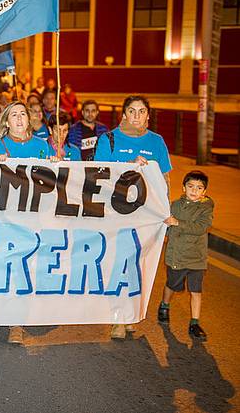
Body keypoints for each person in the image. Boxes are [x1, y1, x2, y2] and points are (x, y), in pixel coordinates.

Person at [94, 95, 172, 340]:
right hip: (116, 214)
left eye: (141, 111)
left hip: (146, 216)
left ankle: (130, 314)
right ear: (124, 115)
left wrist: (166, 211)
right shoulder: (109, 139)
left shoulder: (157, 142)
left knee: (139, 265)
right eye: (132, 111)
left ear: (148, 116)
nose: (137, 116)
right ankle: (117, 318)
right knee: (118, 264)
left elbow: (165, 180)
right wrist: (129, 165)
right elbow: (99, 174)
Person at [0, 101, 55, 344]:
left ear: (29, 119)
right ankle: (11, 319)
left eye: (22, 114)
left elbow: (52, 182)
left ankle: (19, 318)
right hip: (4, 219)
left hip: (34, 218)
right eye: (13, 115)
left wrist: (56, 165)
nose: (18, 118)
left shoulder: (42, 146)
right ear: (6, 121)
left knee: (28, 269)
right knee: (10, 269)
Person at [158, 170, 214, 341]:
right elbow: (164, 224)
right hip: (177, 256)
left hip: (197, 257)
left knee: (196, 291)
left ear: (204, 191)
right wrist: (166, 224)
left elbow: (201, 228)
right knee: (172, 285)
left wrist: (177, 223)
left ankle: (194, 323)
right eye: (190, 186)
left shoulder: (206, 208)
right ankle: (164, 305)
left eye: (199, 187)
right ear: (183, 187)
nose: (194, 190)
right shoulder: (174, 206)